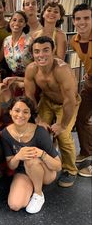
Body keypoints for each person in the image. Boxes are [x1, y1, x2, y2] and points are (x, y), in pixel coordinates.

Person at [24, 36, 81, 187]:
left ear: (53, 50)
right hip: (47, 101)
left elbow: (70, 100)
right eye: (36, 51)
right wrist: (37, 119)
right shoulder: (31, 69)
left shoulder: (62, 70)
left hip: (67, 104)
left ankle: (70, 169)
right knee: (39, 130)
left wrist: (62, 125)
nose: (41, 55)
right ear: (32, 53)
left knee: (62, 135)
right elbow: (29, 96)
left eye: (45, 50)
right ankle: (48, 161)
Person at [1, 96, 61, 214]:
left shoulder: (40, 132)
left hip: (45, 172)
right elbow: (11, 166)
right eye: (17, 110)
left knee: (31, 158)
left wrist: (41, 154)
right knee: (15, 205)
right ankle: (31, 186)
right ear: (10, 112)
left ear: (29, 115)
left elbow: (58, 166)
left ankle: (38, 194)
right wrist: (18, 156)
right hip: (23, 172)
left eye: (25, 112)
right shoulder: (5, 134)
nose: (20, 115)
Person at [70, 3, 92, 177]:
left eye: (86, 18)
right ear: (73, 21)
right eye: (78, 18)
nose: (82, 22)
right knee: (80, 117)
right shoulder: (74, 40)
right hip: (90, 82)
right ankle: (86, 151)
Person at [0, 10, 33, 78]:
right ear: (10, 22)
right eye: (14, 20)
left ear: (25, 24)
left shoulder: (30, 41)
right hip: (12, 77)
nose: (16, 23)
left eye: (21, 21)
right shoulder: (6, 41)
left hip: (29, 77)